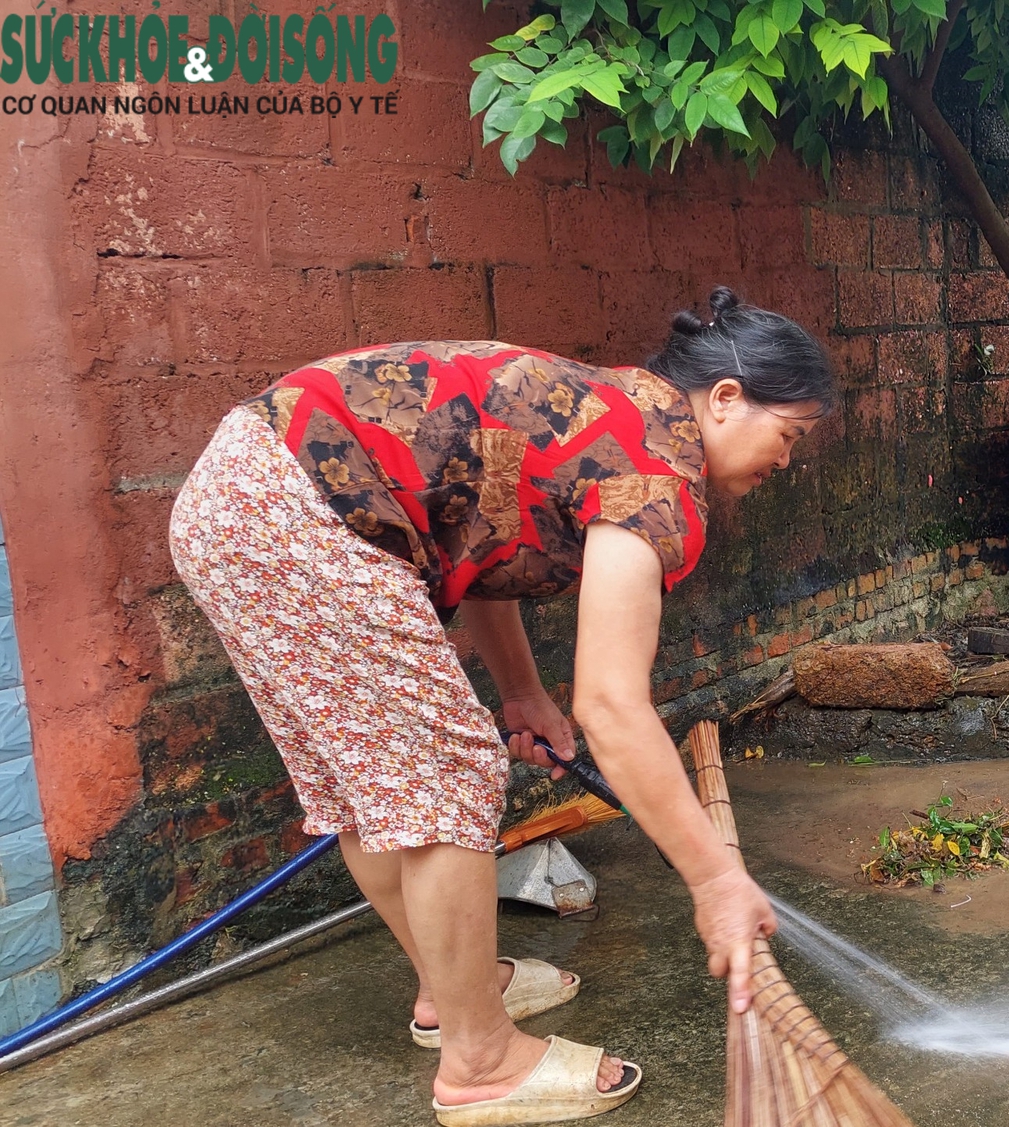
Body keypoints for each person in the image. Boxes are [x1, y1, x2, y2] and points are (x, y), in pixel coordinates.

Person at [167, 287, 831, 1125]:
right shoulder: (660, 471)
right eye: (790, 435)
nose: (787, 461)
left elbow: (475, 535)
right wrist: (717, 880)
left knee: (370, 783)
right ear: (727, 400)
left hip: (240, 496)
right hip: (298, 508)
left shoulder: (612, 408)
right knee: (444, 773)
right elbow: (613, 707)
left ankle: (457, 994)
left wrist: (521, 691)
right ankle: (482, 1060)